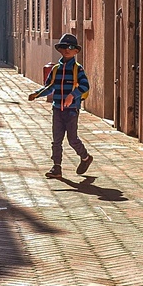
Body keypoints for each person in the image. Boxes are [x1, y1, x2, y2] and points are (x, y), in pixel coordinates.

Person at [28, 33, 93, 178]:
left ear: (76, 51)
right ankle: (56, 167)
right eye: (64, 47)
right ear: (60, 50)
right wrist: (37, 94)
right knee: (56, 140)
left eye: (70, 47)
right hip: (57, 109)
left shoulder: (78, 69)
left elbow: (85, 86)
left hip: (71, 110)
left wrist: (72, 95)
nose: (67, 50)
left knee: (72, 139)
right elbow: (50, 87)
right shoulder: (56, 69)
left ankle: (85, 157)